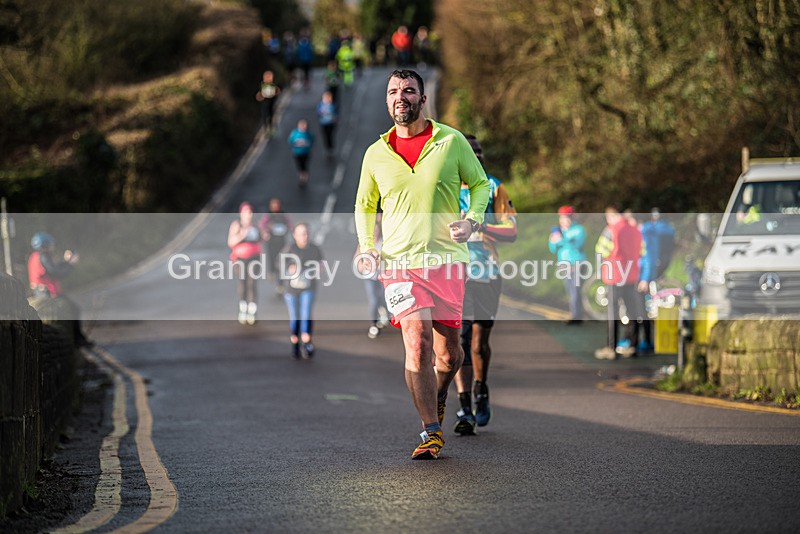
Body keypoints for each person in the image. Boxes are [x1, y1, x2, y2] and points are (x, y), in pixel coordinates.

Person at [354, 69, 490, 460]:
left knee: (450, 356)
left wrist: (473, 220)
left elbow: (480, 184)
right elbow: (365, 204)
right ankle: (430, 430)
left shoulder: (451, 141)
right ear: (386, 101)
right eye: (394, 91)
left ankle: (441, 390)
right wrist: (367, 246)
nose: (401, 96)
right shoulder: (375, 153)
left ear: (422, 99)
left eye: (409, 90)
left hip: (447, 261)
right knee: (417, 343)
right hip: (399, 263)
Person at [452, 134, 517, 436]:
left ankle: (481, 389)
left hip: (488, 272)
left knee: (479, 344)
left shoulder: (494, 187)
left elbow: (512, 231)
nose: (475, 156)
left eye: (479, 151)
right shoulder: (446, 188)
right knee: (460, 342)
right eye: (470, 151)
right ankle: (464, 405)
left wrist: (479, 225)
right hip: (455, 275)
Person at [594, 208, 643, 359]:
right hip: (631, 275)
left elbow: (601, 250)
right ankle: (633, 345)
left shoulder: (611, 230)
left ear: (612, 215)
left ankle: (611, 347)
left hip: (615, 275)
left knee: (613, 312)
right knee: (632, 310)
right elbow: (641, 251)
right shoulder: (635, 230)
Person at [27, 231, 92, 347]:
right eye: (51, 245)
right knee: (74, 309)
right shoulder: (44, 256)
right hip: (47, 294)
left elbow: (53, 268)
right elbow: (57, 273)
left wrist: (67, 262)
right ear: (45, 246)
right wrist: (71, 264)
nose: (53, 247)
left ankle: (78, 339)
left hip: (42, 292)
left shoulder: (36, 256)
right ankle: (78, 340)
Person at [281, 223, 323, 359]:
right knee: (295, 316)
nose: (303, 236)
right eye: (300, 234)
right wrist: (289, 267)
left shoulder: (314, 249)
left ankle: (306, 342)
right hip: (291, 289)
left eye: (305, 233)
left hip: (308, 287)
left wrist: (318, 269)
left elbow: (321, 263)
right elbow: (279, 263)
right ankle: (295, 343)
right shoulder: (290, 249)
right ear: (295, 235)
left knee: (305, 314)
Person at [637, 208, 676, 352]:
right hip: (663, 261)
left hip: (654, 265)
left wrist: (645, 277)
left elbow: (648, 256)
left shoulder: (649, 230)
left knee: (640, 306)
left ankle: (645, 340)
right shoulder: (668, 228)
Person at [548, 205, 586, 324]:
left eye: (567, 218)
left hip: (577, 265)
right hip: (564, 266)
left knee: (575, 291)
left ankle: (576, 316)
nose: (564, 221)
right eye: (562, 218)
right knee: (570, 291)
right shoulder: (558, 231)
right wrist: (554, 241)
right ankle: (576, 313)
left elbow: (577, 245)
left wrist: (561, 239)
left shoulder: (578, 230)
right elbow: (553, 248)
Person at [228, 202, 262, 325]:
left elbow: (261, 239)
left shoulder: (256, 225)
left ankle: (252, 311)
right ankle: (243, 309)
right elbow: (231, 242)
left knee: (252, 284)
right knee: (242, 284)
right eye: (247, 212)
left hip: (254, 258)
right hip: (240, 259)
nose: (249, 215)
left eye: (251, 212)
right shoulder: (237, 225)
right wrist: (242, 234)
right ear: (241, 213)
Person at [357, 213, 389, 339]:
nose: (375, 233)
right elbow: (357, 257)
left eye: (376, 231)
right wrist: (361, 265)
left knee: (382, 297)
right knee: (373, 300)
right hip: (369, 277)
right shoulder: (365, 244)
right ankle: (373, 324)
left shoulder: (383, 242)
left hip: (382, 276)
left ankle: (383, 311)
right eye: (373, 231)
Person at [259, 197, 292, 296]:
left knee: (281, 264)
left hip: (282, 243)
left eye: (277, 205)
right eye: (273, 205)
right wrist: (265, 232)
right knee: (272, 259)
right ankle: (271, 272)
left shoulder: (283, 215)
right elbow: (262, 226)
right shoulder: (268, 216)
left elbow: (290, 226)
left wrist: (287, 229)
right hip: (271, 243)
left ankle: (280, 285)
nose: (275, 207)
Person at [288, 119, 314, 188]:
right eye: (302, 125)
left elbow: (312, 141)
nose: (303, 127)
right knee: (299, 165)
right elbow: (290, 141)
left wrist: (307, 146)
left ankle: (304, 177)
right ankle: (301, 175)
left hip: (306, 153)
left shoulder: (308, 134)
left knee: (305, 164)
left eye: (305, 125)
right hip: (297, 153)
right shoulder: (295, 133)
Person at [316, 91, 337, 155]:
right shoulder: (320, 105)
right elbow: (318, 112)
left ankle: (330, 146)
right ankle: (328, 147)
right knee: (325, 135)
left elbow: (335, 113)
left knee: (330, 134)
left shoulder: (332, 105)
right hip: (323, 123)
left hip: (331, 123)